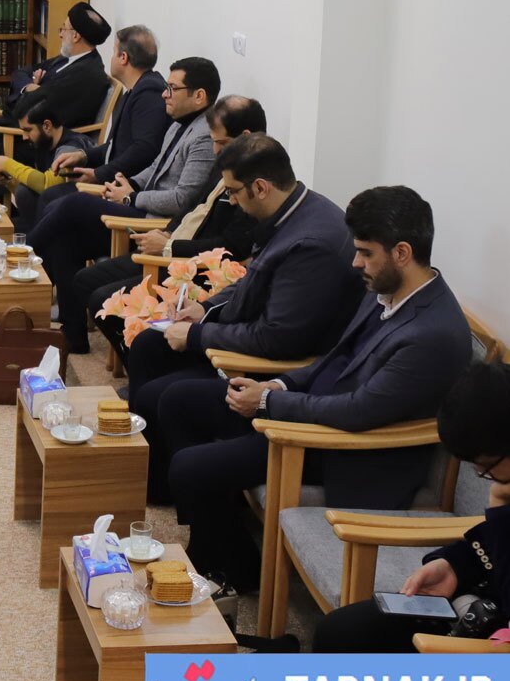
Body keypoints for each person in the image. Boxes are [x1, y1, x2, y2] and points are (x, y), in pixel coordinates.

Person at [163, 186, 471, 591]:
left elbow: (359, 411)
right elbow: (335, 359)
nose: (355, 261)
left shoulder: (432, 334)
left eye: (365, 252)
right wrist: (277, 382)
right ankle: (224, 544)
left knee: (191, 467)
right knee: (179, 401)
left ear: (401, 252)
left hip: (344, 448)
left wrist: (270, 401)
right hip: (311, 410)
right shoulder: (387, 288)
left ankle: (231, 570)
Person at [126, 134, 362, 463]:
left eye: (234, 192)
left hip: (278, 364)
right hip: (253, 335)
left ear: (261, 187)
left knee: (162, 394)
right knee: (149, 345)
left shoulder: (312, 244)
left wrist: (197, 335)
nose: (232, 202)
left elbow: (278, 338)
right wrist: (204, 309)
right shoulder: (289, 212)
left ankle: (165, 486)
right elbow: (253, 278)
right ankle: (139, 466)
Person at [28, 56, 222, 353]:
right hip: (137, 205)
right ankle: (73, 334)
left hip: (151, 222)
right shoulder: (178, 123)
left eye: (172, 88)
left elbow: (182, 198)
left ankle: (25, 252)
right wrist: (127, 183)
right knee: (66, 240)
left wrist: (132, 197)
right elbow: (156, 168)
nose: (164, 95)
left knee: (74, 204)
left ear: (199, 96)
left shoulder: (204, 137)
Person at [314, 361, 510, 652]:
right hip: (479, 602)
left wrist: (501, 511)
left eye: (485, 467)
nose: (486, 477)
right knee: (340, 630)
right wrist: (454, 565)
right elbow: (489, 543)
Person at [74, 96, 267, 363]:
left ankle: (141, 369)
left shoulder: (256, 183)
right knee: (85, 280)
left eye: (221, 142)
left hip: (195, 269)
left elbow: (231, 247)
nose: (214, 150)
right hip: (170, 249)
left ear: (245, 136)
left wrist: (169, 247)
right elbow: (193, 206)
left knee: (102, 299)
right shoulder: (226, 162)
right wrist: (167, 233)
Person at [0, 1, 112, 188]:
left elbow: (41, 108)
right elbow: (22, 72)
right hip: (12, 127)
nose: (60, 33)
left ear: (76, 36)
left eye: (64, 28)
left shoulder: (86, 75)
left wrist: (31, 92)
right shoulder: (67, 60)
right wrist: (29, 87)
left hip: (31, 141)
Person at [46, 23, 169, 191]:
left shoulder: (149, 93)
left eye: (113, 51)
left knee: (53, 197)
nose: (111, 58)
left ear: (123, 58)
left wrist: (99, 174)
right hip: (112, 180)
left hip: (125, 190)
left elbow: (144, 150)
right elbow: (115, 147)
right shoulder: (138, 89)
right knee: (49, 194)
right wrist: (83, 156)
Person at [0, 100, 95, 227]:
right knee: (15, 203)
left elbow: (49, 184)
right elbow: (36, 191)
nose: (24, 137)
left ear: (47, 126)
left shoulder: (71, 148)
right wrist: (11, 182)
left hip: (77, 219)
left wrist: (6, 163)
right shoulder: (43, 143)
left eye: (28, 130)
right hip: (50, 211)